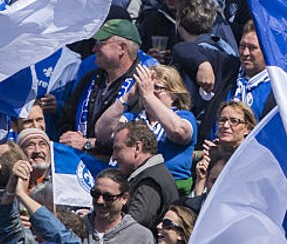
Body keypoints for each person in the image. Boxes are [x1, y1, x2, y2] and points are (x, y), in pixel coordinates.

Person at [97, 64, 198, 188]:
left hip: (166, 187)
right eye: (145, 86)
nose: (148, 90)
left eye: (157, 87)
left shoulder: (185, 117)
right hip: (128, 184)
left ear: (174, 94)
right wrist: (127, 97)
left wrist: (149, 95)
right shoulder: (132, 118)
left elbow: (178, 132)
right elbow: (102, 132)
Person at [59, 19, 141, 153]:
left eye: (101, 43)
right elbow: (66, 118)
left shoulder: (141, 84)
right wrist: (70, 137)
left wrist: (89, 144)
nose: (94, 49)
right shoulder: (90, 78)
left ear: (122, 48)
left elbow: (136, 138)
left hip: (117, 168)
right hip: (79, 162)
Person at [111, 121, 178, 232]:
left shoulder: (150, 180)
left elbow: (134, 226)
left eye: (118, 149)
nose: (113, 157)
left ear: (137, 147)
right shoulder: (148, 175)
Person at [82, 169, 155, 243]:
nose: (100, 201)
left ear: (124, 198)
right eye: (96, 194)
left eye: (108, 196)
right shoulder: (76, 229)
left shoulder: (141, 236)